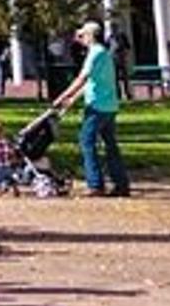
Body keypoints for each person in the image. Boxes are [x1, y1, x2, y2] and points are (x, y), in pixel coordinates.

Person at [47, 20, 129, 197]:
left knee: (86, 141)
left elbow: (82, 79)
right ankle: (121, 183)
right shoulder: (103, 53)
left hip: (97, 107)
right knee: (110, 145)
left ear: (91, 36)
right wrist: (72, 100)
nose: (80, 38)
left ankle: (95, 184)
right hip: (109, 105)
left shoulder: (95, 54)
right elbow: (92, 82)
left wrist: (61, 97)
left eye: (83, 35)